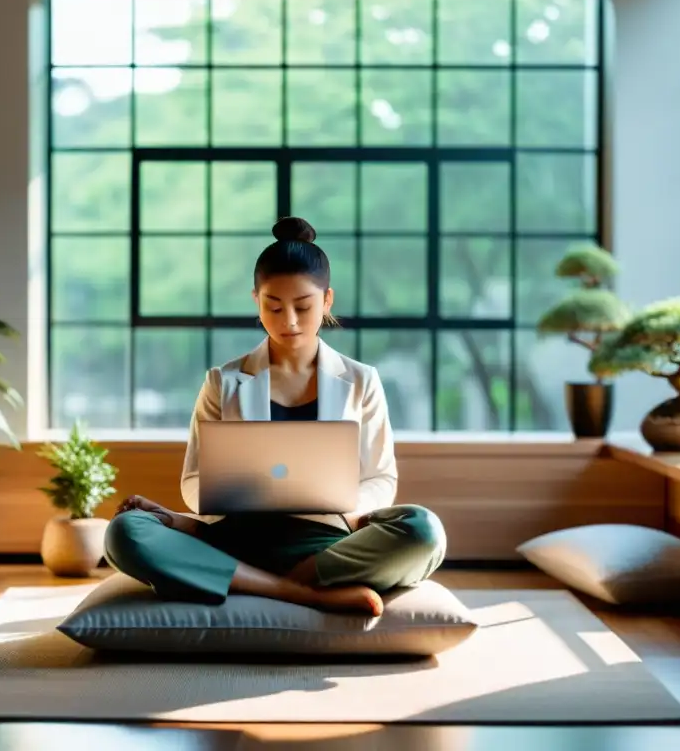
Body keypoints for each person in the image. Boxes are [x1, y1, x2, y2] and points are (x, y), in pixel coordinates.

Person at [104, 216, 447, 617]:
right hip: (236, 539)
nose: (290, 321)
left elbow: (381, 477)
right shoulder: (223, 381)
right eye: (273, 306)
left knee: (423, 530)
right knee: (126, 533)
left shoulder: (360, 380)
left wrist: (346, 507)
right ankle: (303, 592)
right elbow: (195, 483)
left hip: (327, 544)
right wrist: (230, 497)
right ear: (256, 300)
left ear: (327, 300)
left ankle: (252, 581)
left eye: (303, 306)